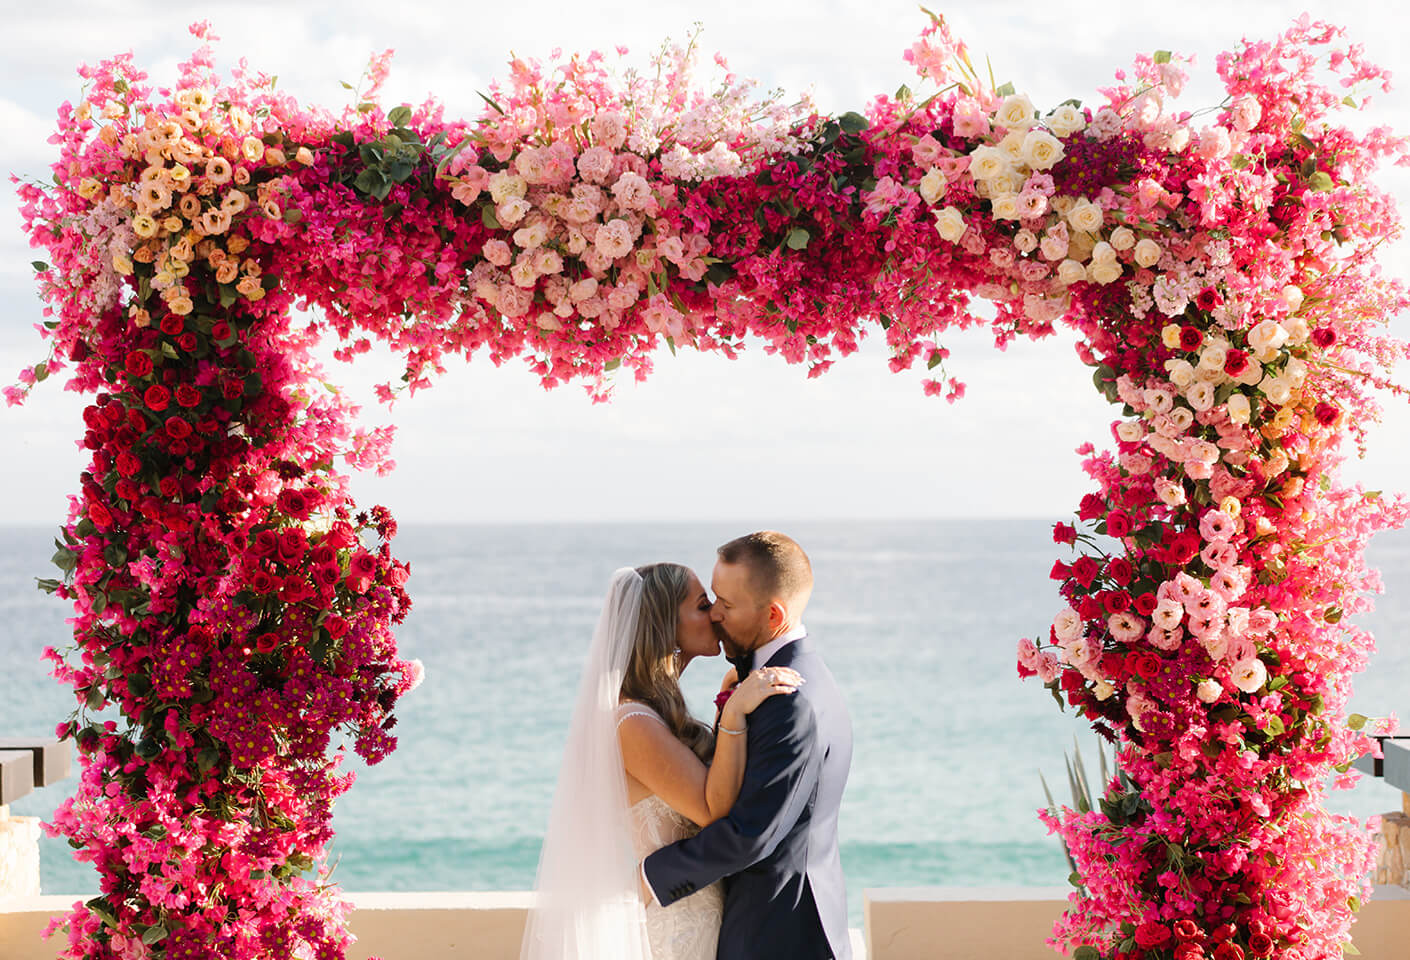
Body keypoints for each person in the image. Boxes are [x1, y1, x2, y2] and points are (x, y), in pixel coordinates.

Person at [520, 561, 803, 960]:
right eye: (703, 605)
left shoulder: (655, 713)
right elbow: (710, 809)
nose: (717, 615)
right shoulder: (633, 722)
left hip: (703, 913)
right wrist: (736, 714)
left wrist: (724, 710)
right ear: (666, 623)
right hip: (678, 929)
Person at [643, 531, 853, 960]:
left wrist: (648, 877)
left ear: (773, 615)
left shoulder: (786, 699)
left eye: (727, 604)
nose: (714, 614)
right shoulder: (777, 680)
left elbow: (749, 834)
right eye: (713, 599)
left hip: (778, 937)